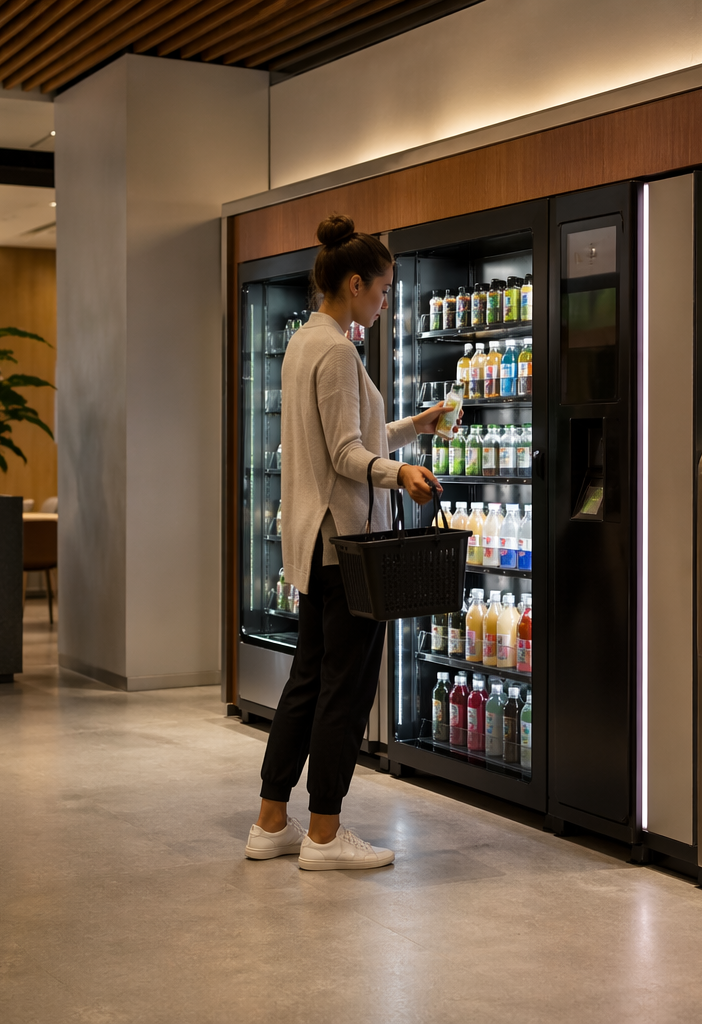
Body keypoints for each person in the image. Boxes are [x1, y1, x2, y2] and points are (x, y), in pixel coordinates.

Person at [246, 214, 457, 870]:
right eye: (384, 290)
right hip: (348, 546)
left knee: (307, 680)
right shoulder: (338, 350)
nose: (387, 301)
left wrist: (410, 428)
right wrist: (403, 474)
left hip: (314, 543)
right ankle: (326, 834)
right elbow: (346, 455)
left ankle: (272, 820)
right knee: (345, 686)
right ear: (355, 283)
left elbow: (347, 438)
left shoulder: (306, 342)